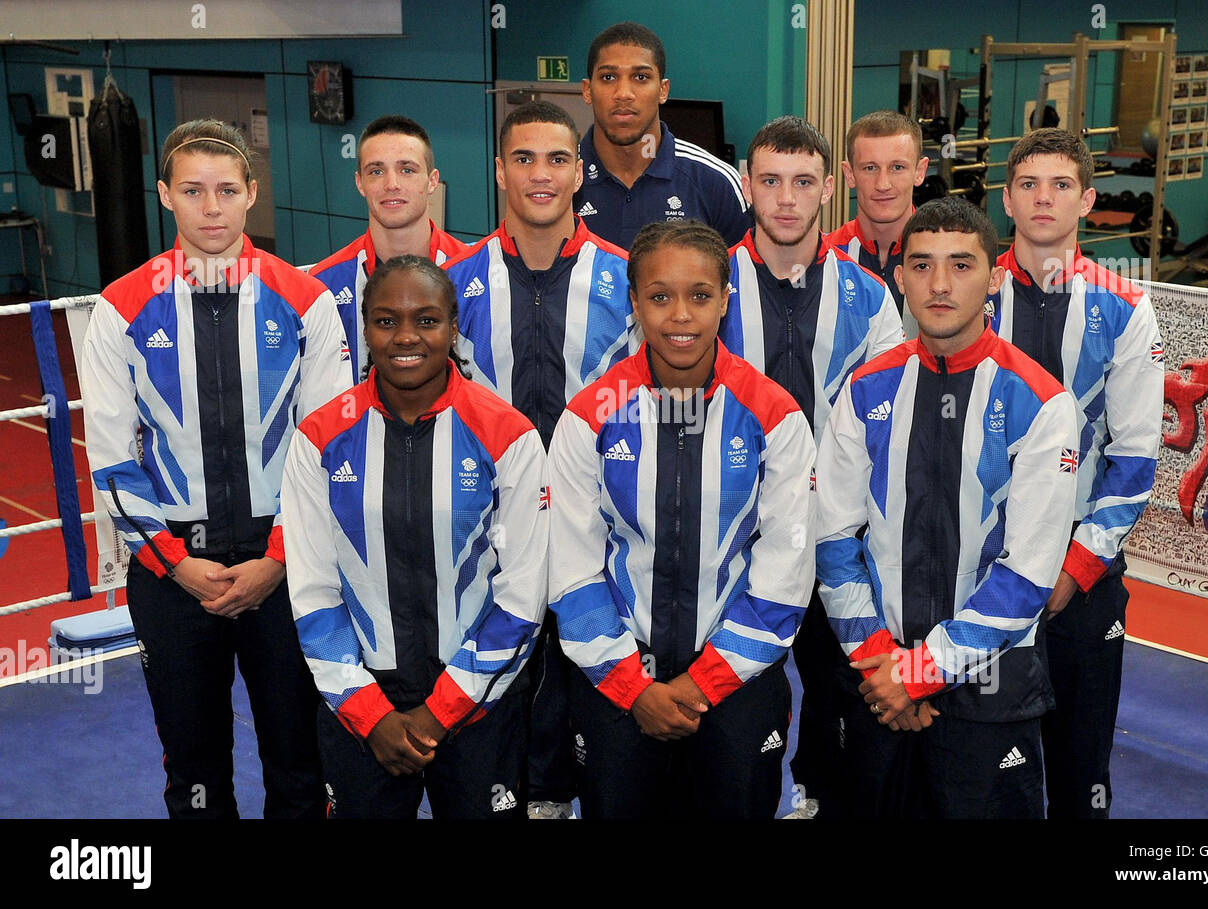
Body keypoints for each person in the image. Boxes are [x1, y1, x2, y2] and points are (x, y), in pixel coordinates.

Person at [82, 119, 351, 818]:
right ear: (165, 195)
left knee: (300, 759)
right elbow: (112, 460)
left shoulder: (307, 301)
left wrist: (280, 557)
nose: (211, 207)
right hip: (174, 573)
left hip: (287, 566)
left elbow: (329, 449)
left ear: (251, 194)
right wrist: (176, 564)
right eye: (193, 190)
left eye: (227, 190)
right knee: (194, 770)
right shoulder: (118, 309)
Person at [815, 197, 1081, 819]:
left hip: (989, 690)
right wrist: (882, 660)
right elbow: (832, 541)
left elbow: (1028, 574)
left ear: (994, 278)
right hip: (873, 679)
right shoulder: (863, 391)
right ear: (899, 275)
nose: (939, 285)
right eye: (922, 265)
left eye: (961, 266)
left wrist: (924, 671)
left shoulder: (1042, 403)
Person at [548, 220, 816, 819]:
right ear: (634, 301)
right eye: (659, 296)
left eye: (699, 295)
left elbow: (784, 572)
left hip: (739, 682)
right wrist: (632, 687)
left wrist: (703, 684)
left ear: (726, 300)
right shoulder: (588, 417)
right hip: (618, 679)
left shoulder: (776, 416)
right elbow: (570, 568)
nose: (680, 316)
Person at [280, 256, 548, 819]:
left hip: (480, 702)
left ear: (454, 330)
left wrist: (441, 710)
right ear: (365, 329)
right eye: (385, 320)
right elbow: (313, 590)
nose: (405, 336)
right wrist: (368, 712)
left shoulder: (509, 436)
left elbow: (523, 593)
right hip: (360, 705)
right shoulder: (318, 440)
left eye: (426, 320)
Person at [444, 99, 637, 819]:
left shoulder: (629, 279)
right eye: (523, 158)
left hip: (601, 534)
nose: (541, 174)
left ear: (579, 171)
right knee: (495, 701)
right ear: (498, 170)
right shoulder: (454, 284)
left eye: (557, 159)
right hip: (488, 534)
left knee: (595, 703)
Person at [718, 115, 904, 819]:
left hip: (837, 534)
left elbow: (887, 429)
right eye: (770, 181)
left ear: (830, 188)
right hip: (734, 536)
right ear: (747, 186)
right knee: (739, 693)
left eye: (802, 183)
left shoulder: (869, 297)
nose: (786, 199)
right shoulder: (711, 285)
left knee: (838, 688)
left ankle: (819, 792)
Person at [993, 127, 1164, 819]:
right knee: (987, 764)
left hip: (1081, 569)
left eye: (1061, 185)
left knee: (1079, 765)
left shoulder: (1125, 306)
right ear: (1006, 198)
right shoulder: (966, 288)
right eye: (1029, 184)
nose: (1044, 198)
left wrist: (1075, 568)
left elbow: (1135, 455)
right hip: (984, 558)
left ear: (1087, 199)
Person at [311, 115, 469, 384]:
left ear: (432, 181)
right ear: (360, 183)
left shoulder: (473, 272)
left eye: (407, 169)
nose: (391, 184)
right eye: (376, 171)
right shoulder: (320, 286)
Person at [573, 21, 750, 250]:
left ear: (663, 90)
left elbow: (745, 278)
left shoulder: (717, 181)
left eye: (641, 77)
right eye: (608, 77)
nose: (624, 94)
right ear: (587, 90)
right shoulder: (557, 176)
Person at [826, 110, 930, 334]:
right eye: (870, 168)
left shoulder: (949, 260)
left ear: (919, 171)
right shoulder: (826, 257)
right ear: (850, 174)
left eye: (897, 167)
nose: (883, 184)